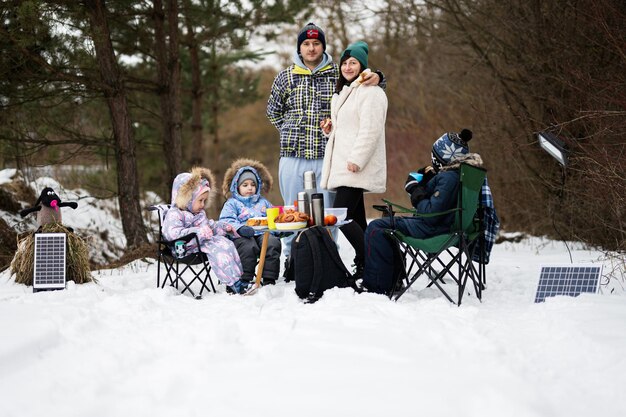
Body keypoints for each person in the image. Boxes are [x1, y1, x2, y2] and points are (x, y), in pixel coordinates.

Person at [266, 22, 384, 267]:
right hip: (292, 155)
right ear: (300, 48)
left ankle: (329, 260)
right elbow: (273, 112)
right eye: (306, 44)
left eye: (316, 43)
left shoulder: (337, 73)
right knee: (293, 213)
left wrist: (380, 76)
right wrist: (291, 131)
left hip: (327, 157)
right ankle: (294, 260)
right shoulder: (286, 76)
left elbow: (366, 87)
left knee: (330, 216)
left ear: (323, 46)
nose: (311, 48)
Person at [361, 130, 493, 294]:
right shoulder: (460, 175)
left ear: (440, 157)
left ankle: (378, 286)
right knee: (385, 228)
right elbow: (444, 203)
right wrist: (431, 181)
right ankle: (393, 278)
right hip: (450, 228)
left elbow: (432, 214)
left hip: (432, 230)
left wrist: (415, 190)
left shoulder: (448, 178)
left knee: (376, 228)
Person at [319, 40, 388, 280]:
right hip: (344, 165)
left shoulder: (372, 92)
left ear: (362, 66)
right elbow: (349, 127)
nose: (348, 67)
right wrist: (330, 128)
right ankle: (366, 265)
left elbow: (371, 129)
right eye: (345, 63)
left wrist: (357, 159)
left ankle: (374, 261)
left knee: (341, 216)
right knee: (356, 219)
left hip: (354, 166)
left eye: (353, 62)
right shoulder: (345, 92)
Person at [162, 167, 249, 294]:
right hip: (183, 247)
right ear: (187, 199)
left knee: (226, 244)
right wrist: (198, 232)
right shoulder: (175, 214)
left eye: (204, 200)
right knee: (218, 250)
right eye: (200, 200)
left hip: (200, 244)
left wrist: (223, 227)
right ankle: (234, 284)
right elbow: (173, 234)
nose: (203, 204)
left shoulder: (198, 213)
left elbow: (209, 226)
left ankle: (237, 280)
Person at [219, 158, 282, 286]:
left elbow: (274, 217)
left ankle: (269, 277)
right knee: (248, 247)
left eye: (253, 185)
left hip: (263, 234)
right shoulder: (232, 203)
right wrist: (240, 228)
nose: (250, 188)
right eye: (245, 185)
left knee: (273, 242)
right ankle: (244, 278)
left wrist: (280, 228)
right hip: (241, 235)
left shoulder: (263, 202)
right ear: (237, 186)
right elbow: (226, 221)